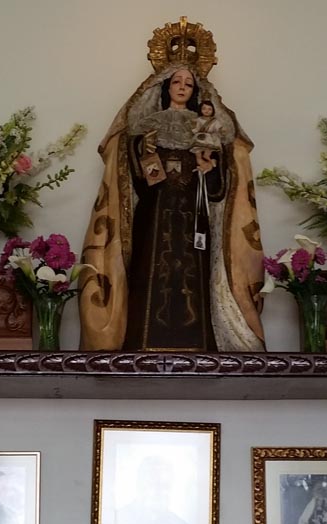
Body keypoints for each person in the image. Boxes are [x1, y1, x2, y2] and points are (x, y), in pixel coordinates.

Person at [79, 19, 266, 353]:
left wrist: (208, 170)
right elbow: (135, 179)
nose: (182, 87)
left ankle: (201, 345)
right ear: (165, 87)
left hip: (194, 214)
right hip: (155, 214)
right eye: (176, 82)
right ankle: (141, 342)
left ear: (196, 93)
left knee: (194, 277)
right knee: (151, 276)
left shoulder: (205, 129)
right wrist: (151, 164)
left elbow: (218, 189)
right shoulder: (147, 126)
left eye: (189, 84)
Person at [113, 455, 194, 524]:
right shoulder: (116, 522)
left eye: (165, 486)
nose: (159, 491)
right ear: (139, 484)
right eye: (152, 484)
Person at [191, 99, 224, 170]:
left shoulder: (214, 121)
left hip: (210, 137)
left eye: (209, 109)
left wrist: (221, 130)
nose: (207, 111)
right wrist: (194, 129)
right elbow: (196, 129)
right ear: (200, 110)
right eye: (204, 109)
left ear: (213, 111)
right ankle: (199, 159)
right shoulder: (198, 120)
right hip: (200, 137)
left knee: (209, 148)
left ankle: (207, 157)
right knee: (197, 149)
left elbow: (218, 128)